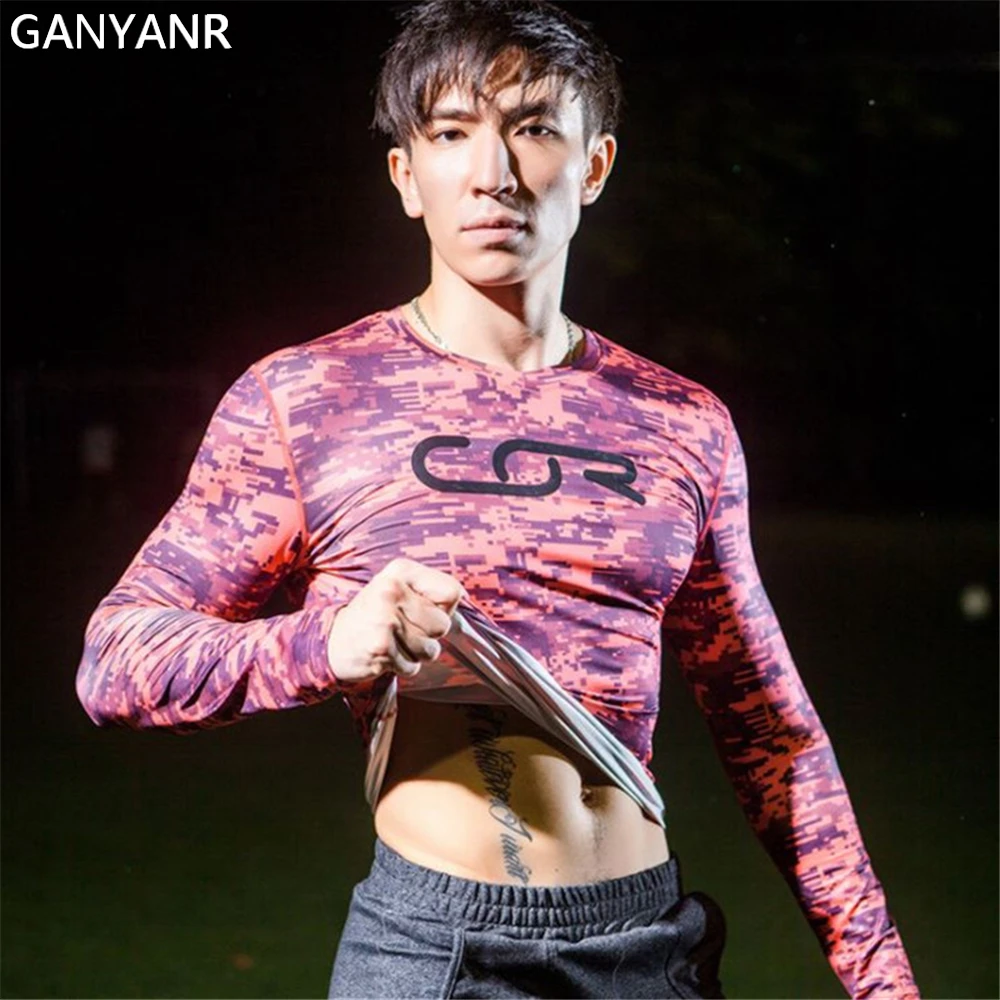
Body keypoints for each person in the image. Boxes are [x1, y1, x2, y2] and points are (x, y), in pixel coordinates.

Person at [76, 2, 919, 997]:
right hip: (444, 953)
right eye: (450, 133)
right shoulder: (308, 398)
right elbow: (116, 661)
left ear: (594, 165)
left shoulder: (682, 422)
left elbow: (771, 733)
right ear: (406, 176)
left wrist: (883, 983)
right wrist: (323, 643)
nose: (493, 173)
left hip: (649, 948)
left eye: (533, 127)